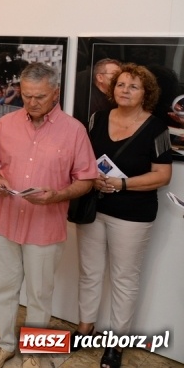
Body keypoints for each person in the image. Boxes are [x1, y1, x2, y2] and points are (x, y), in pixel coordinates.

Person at [0, 63, 98, 368]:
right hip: (5, 220)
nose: (31, 102)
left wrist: (56, 196)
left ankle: (34, 352)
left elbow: (86, 180)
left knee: (39, 293)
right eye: (27, 95)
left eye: (40, 97)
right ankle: (4, 344)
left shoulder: (74, 131)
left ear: (55, 93)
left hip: (45, 227)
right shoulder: (6, 124)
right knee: (3, 288)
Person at [73, 64, 172, 368]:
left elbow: (163, 175)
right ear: (112, 89)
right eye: (121, 84)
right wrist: (91, 177)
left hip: (133, 215)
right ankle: (85, 327)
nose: (125, 90)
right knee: (89, 272)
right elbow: (84, 158)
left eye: (133, 86)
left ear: (146, 94)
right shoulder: (97, 118)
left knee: (124, 280)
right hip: (94, 208)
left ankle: (116, 343)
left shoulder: (157, 128)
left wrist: (122, 183)